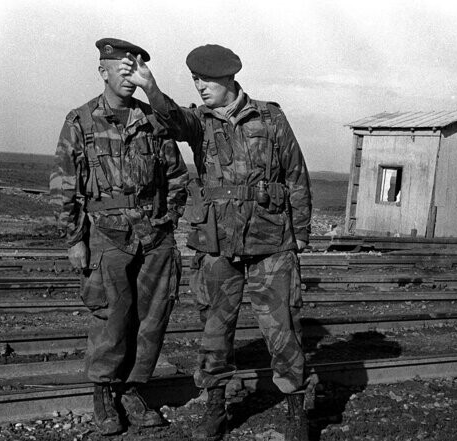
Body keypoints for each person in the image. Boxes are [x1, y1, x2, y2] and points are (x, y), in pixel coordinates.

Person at [119, 44, 313, 441]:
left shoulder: (270, 117)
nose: (201, 86)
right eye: (195, 80)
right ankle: (215, 409)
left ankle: (296, 412)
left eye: (206, 80)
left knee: (283, 330)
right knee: (213, 332)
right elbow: (171, 119)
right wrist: (150, 87)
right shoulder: (199, 122)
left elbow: (296, 174)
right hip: (216, 244)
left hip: (271, 245)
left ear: (229, 79)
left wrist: (301, 235)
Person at [49, 38, 188, 436]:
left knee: (151, 317)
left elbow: (177, 175)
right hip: (106, 235)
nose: (128, 78)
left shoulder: (152, 120)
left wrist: (169, 219)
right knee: (110, 317)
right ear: (103, 72)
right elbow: (63, 183)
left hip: (154, 235)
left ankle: (132, 389)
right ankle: (104, 393)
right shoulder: (81, 121)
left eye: (135, 70)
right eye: (121, 70)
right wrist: (75, 238)